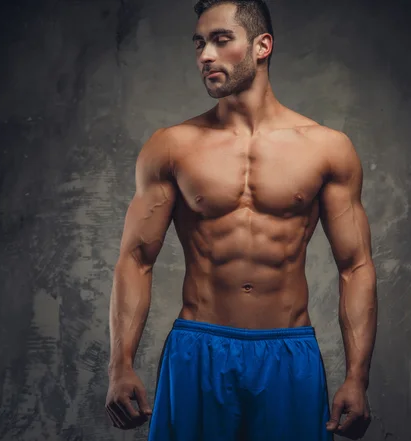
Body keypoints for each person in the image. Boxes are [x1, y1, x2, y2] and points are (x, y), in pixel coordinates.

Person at [105, 0, 377, 440]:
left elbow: (355, 266)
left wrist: (357, 377)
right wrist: (120, 366)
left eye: (220, 39)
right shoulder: (171, 147)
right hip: (198, 349)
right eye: (199, 44)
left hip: (288, 354)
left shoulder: (327, 148)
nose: (205, 55)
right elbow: (135, 260)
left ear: (262, 45)